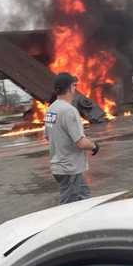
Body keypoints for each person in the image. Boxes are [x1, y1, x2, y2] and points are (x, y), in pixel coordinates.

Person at [45, 72, 100, 205]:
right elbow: (81, 142)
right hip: (70, 169)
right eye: (74, 86)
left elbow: (47, 136)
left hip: (59, 167)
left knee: (84, 201)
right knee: (69, 208)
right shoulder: (69, 110)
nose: (75, 89)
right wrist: (94, 146)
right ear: (70, 87)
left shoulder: (51, 109)